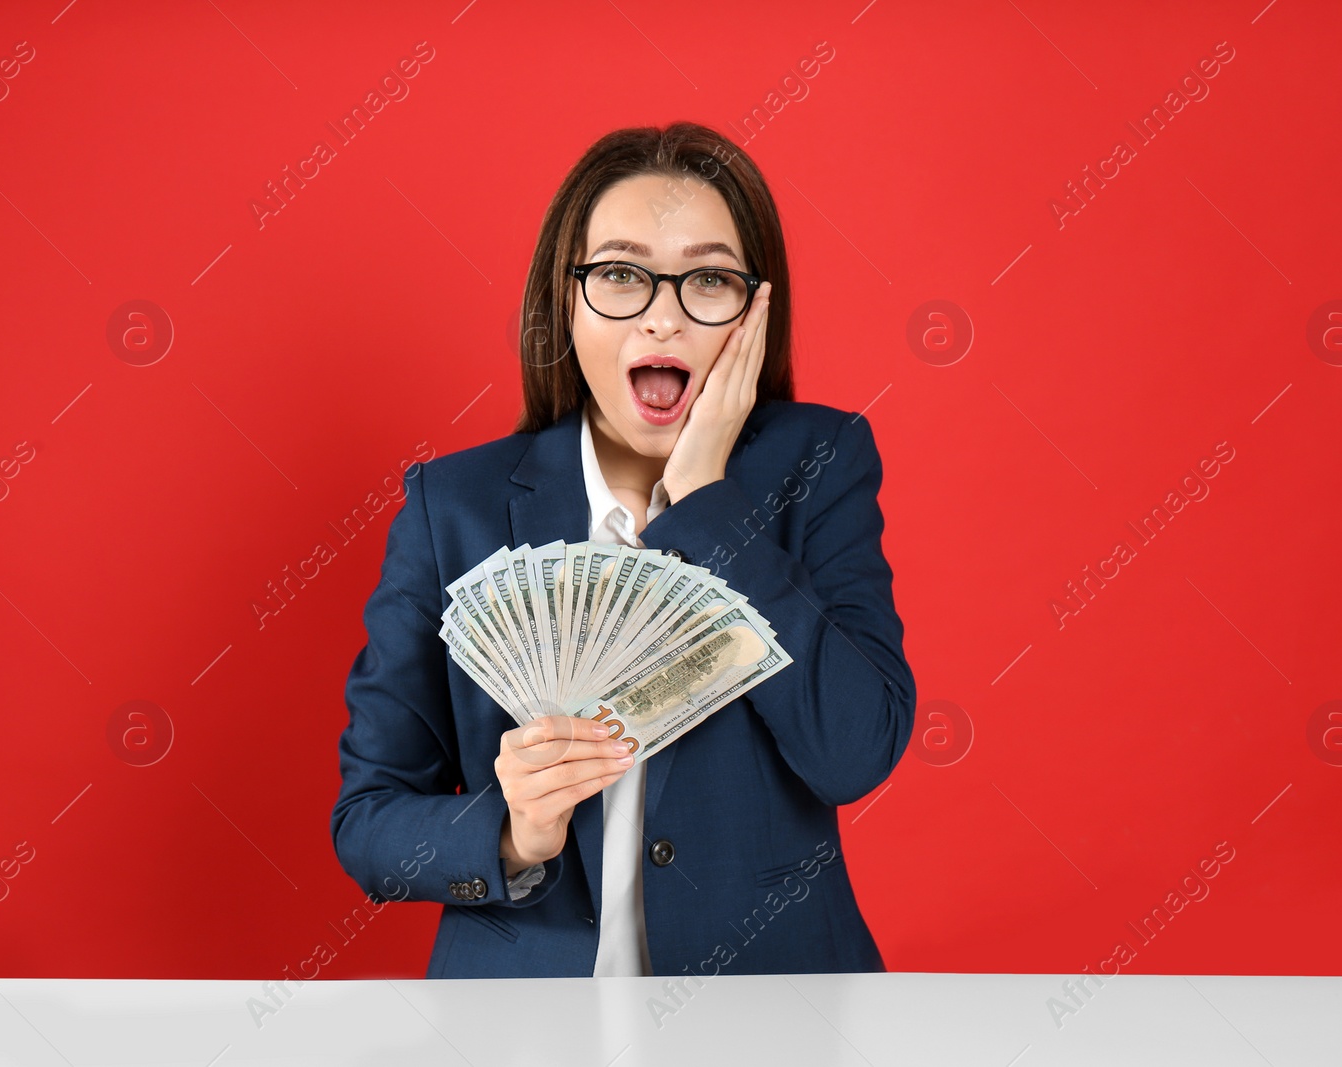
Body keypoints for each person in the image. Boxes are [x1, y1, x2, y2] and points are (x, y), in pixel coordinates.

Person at [330, 122, 916, 979]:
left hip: (772, 1003)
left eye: (709, 279)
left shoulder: (820, 465)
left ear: (756, 310)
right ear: (564, 300)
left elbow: (855, 751)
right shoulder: (451, 507)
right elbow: (368, 822)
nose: (664, 315)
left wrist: (711, 504)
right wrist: (512, 831)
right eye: (619, 274)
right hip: (524, 1019)